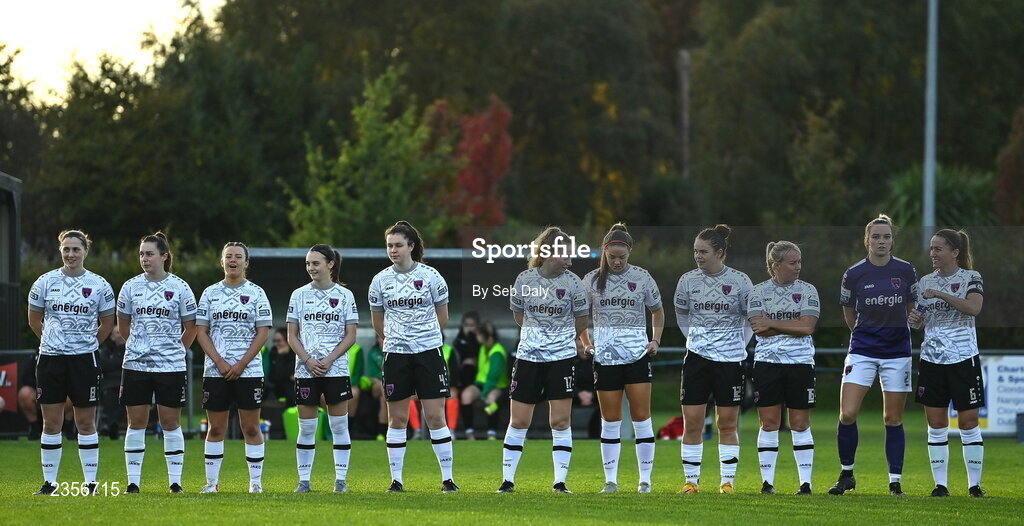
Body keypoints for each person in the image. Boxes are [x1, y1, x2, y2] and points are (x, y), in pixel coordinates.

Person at [830, 214, 918, 496]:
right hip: (863, 350)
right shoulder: (853, 273)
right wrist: (864, 333)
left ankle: (895, 482)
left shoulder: (906, 270)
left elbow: (911, 308)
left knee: (892, 419)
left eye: (887, 236)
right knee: (847, 413)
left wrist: (915, 320)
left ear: (893, 240)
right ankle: (846, 475)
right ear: (867, 240)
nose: (882, 241)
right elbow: (848, 313)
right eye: (877, 237)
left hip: (897, 353)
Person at [498, 226, 590, 494]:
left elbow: (582, 321)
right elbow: (518, 315)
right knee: (518, 421)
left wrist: (558, 339)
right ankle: (507, 481)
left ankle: (560, 483)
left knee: (560, 422)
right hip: (528, 357)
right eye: (566, 255)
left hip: (561, 359)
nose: (571, 262)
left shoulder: (573, 283)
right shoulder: (524, 280)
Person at [369, 221, 458, 493]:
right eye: (389, 246)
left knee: (435, 417)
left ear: (411, 246)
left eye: (398, 245)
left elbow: (442, 316)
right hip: (396, 355)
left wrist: (424, 338)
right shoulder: (380, 280)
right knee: (397, 419)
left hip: (429, 353)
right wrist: (396, 341)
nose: (393, 250)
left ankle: (448, 479)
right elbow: (377, 322)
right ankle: (396, 480)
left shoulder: (431, 276)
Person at [27, 229, 116, 495]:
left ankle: (91, 484)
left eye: (76, 249)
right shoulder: (44, 282)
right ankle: (49, 484)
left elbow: (107, 323)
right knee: (51, 423)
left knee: (85, 423)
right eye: (66, 249)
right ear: (60, 251)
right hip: (51, 360)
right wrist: (54, 342)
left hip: (84, 361)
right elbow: (34, 320)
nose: (71, 254)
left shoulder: (99, 285)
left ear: (85, 251)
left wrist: (85, 345)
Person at [579, 223, 664, 494]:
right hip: (605, 359)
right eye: (612, 257)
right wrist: (586, 343)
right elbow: (579, 316)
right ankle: (611, 481)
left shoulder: (642, 277)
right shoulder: (591, 280)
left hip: (637, 357)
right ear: (604, 252)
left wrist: (655, 340)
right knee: (610, 420)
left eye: (622, 257)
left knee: (642, 419)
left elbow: (658, 312)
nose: (617, 262)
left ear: (629, 253)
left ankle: (645, 481)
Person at [673, 224, 753, 495]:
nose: (698, 256)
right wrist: (694, 340)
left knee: (727, 423)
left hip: (730, 362)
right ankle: (691, 482)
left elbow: (750, 320)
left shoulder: (741, 281)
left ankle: (727, 482)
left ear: (719, 253)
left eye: (703, 251)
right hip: (696, 359)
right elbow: (682, 314)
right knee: (693, 422)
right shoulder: (687, 280)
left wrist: (737, 344)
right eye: (695, 251)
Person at [117, 232, 198, 494]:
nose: (144, 258)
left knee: (171, 423)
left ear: (164, 257)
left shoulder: (181, 287)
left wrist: (174, 351)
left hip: (170, 367)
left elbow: (191, 327)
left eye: (149, 253)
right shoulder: (130, 287)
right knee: (136, 422)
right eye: (141, 254)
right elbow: (123, 326)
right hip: (136, 366)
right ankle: (133, 482)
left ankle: (175, 482)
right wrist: (142, 349)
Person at [908, 229, 986, 498]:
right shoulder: (924, 282)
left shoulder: (970, 278)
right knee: (936, 423)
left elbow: (974, 309)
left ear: (955, 253)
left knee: (968, 422)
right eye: (931, 249)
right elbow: (920, 319)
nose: (933, 254)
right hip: (932, 360)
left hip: (964, 358)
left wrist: (941, 295)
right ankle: (941, 486)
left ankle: (974, 486)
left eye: (938, 249)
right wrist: (915, 322)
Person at [195, 242, 273, 494]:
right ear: (221, 261)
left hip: (248, 371)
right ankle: (211, 484)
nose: (233, 260)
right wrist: (219, 361)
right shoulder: (209, 293)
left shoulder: (257, 293)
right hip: (215, 371)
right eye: (228, 256)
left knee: (250, 427)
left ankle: (255, 483)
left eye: (238, 257)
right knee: (216, 428)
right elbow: (201, 331)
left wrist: (241, 364)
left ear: (246, 263)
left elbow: (263, 332)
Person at [748, 241, 820, 495]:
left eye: (799, 261)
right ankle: (767, 483)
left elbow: (807, 327)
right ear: (776, 265)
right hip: (767, 364)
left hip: (800, 364)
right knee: (768, 423)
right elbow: (759, 328)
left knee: (800, 424)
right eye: (792, 262)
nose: (798, 267)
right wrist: (790, 323)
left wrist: (772, 322)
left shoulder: (809, 290)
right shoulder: (757, 292)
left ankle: (805, 484)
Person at [287, 244, 359, 493]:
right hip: (307, 370)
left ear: (330, 264)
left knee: (339, 426)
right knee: (307, 428)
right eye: (308, 263)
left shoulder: (345, 296)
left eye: (315, 263)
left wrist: (329, 359)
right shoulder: (298, 295)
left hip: (336, 369)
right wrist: (307, 360)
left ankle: (340, 481)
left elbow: (351, 336)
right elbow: (291, 336)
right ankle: (304, 481)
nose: (311, 268)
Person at [460, 321, 510, 441]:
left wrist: (484, 394)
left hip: (498, 385)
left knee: (491, 399)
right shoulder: (482, 348)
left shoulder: (497, 351)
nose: (477, 337)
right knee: (466, 395)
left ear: (486, 336)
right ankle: (469, 433)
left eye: (479, 334)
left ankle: (491, 433)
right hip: (480, 383)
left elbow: (493, 378)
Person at [267, 328, 296, 404]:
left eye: (279, 341)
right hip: (277, 386)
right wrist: (280, 356)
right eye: (275, 341)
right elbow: (274, 376)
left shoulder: (294, 353)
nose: (276, 344)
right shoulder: (274, 352)